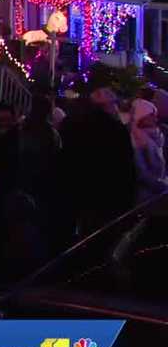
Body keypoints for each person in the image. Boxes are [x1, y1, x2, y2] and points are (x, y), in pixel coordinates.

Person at [58, 86, 137, 241]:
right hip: (109, 197)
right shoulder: (115, 129)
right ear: (108, 105)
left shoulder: (71, 124)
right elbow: (126, 167)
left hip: (78, 193)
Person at [130, 98, 168, 204]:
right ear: (141, 117)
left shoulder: (157, 135)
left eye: (155, 115)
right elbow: (141, 172)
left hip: (160, 188)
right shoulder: (135, 139)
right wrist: (163, 186)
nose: (155, 119)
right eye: (151, 115)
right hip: (146, 196)